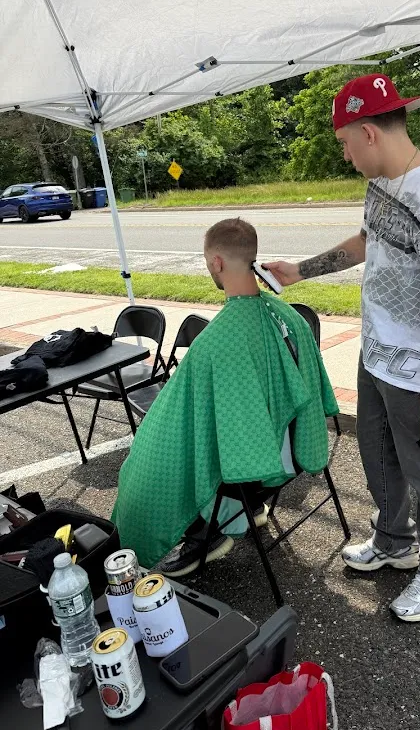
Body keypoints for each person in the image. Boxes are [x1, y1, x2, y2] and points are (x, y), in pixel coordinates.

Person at [265, 74, 420, 622]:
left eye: (343, 142)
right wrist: (300, 271)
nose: (342, 154)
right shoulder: (385, 181)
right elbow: (368, 239)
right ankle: (393, 541)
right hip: (379, 354)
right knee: (379, 456)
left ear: (367, 133)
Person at [113, 217, 339, 575]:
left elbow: (191, 426)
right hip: (289, 450)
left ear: (216, 262)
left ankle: (210, 531)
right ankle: (249, 505)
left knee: (146, 464)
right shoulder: (289, 316)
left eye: (208, 263)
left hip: (251, 467)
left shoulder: (218, 341)